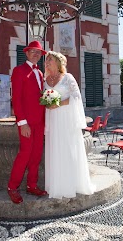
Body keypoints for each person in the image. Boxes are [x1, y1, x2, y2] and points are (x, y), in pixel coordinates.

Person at [43, 51, 95, 199]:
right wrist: (47, 104)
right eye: (46, 60)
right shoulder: (45, 79)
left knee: (68, 149)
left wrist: (58, 103)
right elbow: (43, 97)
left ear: (58, 62)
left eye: (50, 60)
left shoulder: (68, 78)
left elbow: (77, 97)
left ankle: (72, 184)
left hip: (66, 119)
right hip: (53, 119)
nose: (47, 63)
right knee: (55, 149)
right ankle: (57, 185)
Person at [7, 40, 48, 204]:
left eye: (39, 52)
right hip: (27, 122)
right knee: (25, 154)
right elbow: (16, 100)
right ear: (27, 53)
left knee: (36, 155)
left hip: (40, 122)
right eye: (33, 51)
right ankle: (12, 187)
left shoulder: (40, 73)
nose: (36, 54)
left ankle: (32, 185)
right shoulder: (19, 71)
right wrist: (22, 123)